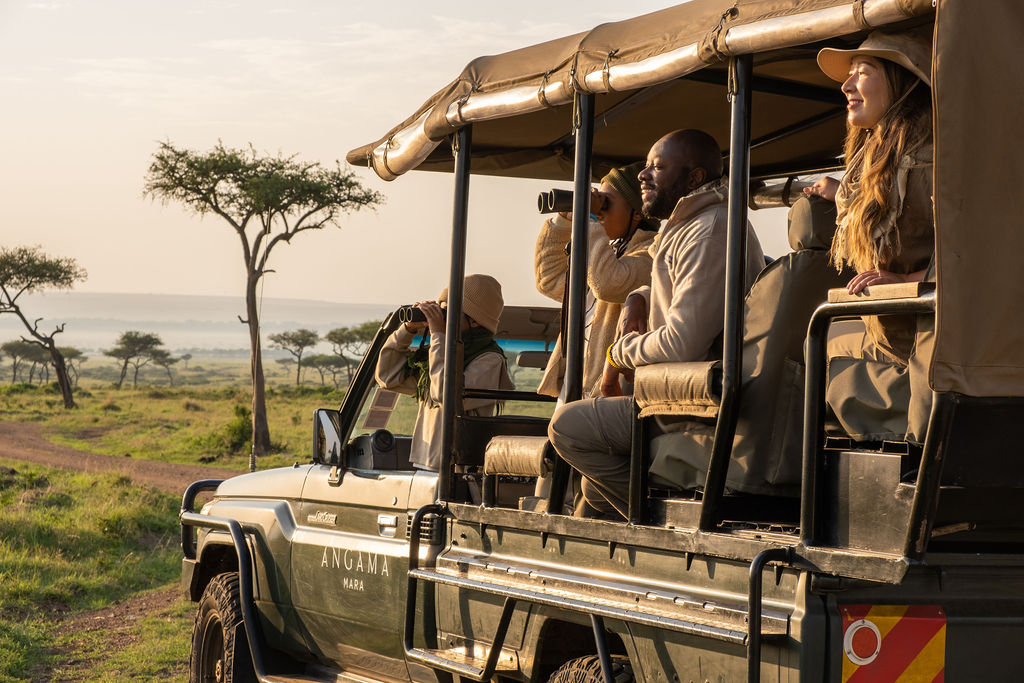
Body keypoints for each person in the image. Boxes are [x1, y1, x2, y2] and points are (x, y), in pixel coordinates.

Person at [548, 129, 765, 519]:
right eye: (646, 166)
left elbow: (683, 341)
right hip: (671, 393)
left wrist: (618, 354)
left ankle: (660, 521)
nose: (644, 176)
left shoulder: (709, 229)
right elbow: (684, 290)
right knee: (592, 494)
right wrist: (641, 296)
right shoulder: (686, 226)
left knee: (566, 427)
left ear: (695, 178)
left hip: (689, 402)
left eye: (658, 167)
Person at [804, 29, 934, 443]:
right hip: (895, 331)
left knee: (812, 350)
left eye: (863, 71)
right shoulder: (880, 151)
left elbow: (978, 247)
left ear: (900, 81)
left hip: (923, 332)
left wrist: (907, 283)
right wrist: (834, 191)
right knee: (815, 348)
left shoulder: (929, 155)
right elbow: (869, 205)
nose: (846, 84)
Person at [535, 161, 657, 400]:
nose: (600, 211)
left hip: (608, 392)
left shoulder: (653, 252)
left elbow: (607, 284)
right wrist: (564, 220)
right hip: (576, 386)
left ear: (637, 213)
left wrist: (589, 218)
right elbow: (549, 279)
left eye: (606, 203)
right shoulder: (607, 251)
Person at [375, 274, 514, 472]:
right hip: (427, 463)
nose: (442, 317)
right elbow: (387, 377)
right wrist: (407, 330)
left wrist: (439, 336)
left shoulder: (489, 359)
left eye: (450, 312)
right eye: (442, 310)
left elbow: (444, 394)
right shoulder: (441, 353)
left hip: (457, 470)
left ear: (475, 321)